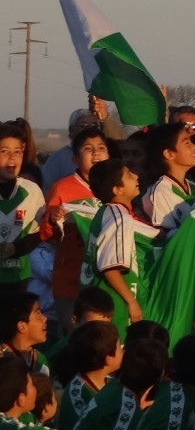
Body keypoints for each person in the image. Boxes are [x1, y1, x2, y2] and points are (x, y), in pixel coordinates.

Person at [39, 128, 108, 330]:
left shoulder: (116, 186)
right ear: (75, 159)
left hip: (105, 278)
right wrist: (53, 219)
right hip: (71, 280)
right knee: (76, 336)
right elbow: (45, 233)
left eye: (101, 148)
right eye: (88, 149)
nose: (96, 153)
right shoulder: (63, 188)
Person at [81, 162, 153, 340]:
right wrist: (132, 302)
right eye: (129, 175)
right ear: (117, 189)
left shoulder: (105, 212)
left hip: (96, 300)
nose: (136, 176)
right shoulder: (119, 217)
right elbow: (110, 268)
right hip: (113, 304)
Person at [0, 123, 47, 296]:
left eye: (17, 152)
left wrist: (16, 248)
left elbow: (39, 232)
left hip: (20, 279)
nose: (12, 158)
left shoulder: (31, 191)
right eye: (4, 151)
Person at [140, 124, 195, 234]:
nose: (194, 146)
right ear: (169, 154)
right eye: (187, 143)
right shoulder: (158, 192)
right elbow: (163, 236)